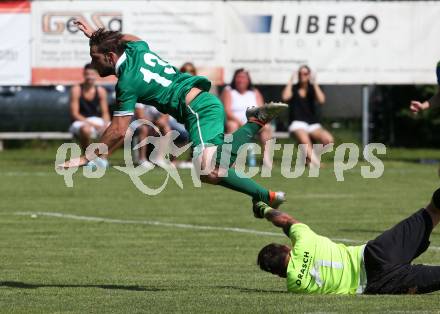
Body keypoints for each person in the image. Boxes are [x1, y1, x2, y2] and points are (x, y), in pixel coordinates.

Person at [61, 21, 287, 209]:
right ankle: (265, 196)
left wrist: (86, 157)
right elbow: (130, 38)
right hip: (203, 105)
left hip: (198, 109)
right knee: (212, 171)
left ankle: (256, 121)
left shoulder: (127, 82)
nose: (92, 63)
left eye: (95, 57)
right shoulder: (136, 50)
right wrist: (100, 37)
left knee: (207, 168)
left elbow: (119, 130)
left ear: (110, 56)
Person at [254, 187, 440, 294]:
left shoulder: (295, 286)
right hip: (377, 253)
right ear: (287, 247)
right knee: (432, 210)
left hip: (380, 284)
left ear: (279, 275)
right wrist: (263, 208)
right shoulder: (304, 240)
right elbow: (285, 221)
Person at [282, 65, 333, 166]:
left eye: (305, 74)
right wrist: (291, 80)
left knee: (328, 140)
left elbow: (322, 100)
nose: (302, 76)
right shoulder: (294, 88)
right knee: (305, 140)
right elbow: (285, 97)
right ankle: (316, 162)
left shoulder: (312, 88)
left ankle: (308, 158)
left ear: (309, 75)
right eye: (300, 74)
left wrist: (314, 83)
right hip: (297, 123)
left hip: (312, 123)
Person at [221, 69, 273, 167]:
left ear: (248, 80)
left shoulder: (255, 92)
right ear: (234, 79)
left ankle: (266, 160)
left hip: (253, 121)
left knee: (267, 128)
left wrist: (255, 121)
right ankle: (231, 161)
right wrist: (240, 122)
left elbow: (262, 110)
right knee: (232, 125)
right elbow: (227, 111)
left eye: (243, 77)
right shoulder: (228, 91)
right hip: (236, 121)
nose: (241, 80)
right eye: (238, 77)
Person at [69, 63, 110, 152]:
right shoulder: (76, 90)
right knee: (86, 130)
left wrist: (104, 124)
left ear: (96, 75)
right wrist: (94, 125)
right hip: (79, 121)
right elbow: (74, 114)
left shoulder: (101, 91)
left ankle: (102, 156)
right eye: (87, 74)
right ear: (84, 74)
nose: (90, 77)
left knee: (117, 130)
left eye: (92, 74)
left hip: (96, 120)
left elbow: (105, 112)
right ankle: (87, 156)